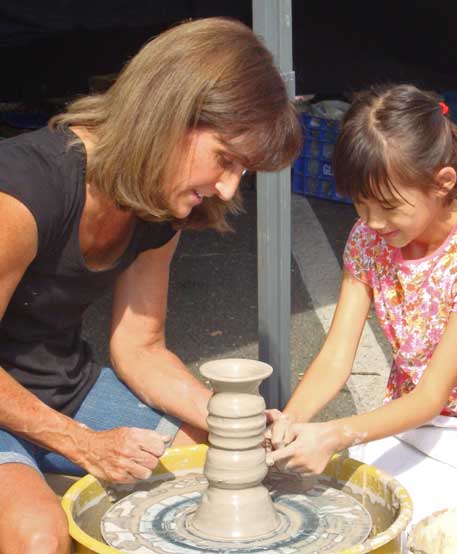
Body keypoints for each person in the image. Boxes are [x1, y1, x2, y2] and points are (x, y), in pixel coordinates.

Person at [0, 17, 301, 554]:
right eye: (226, 160)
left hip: (61, 387)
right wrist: (81, 443)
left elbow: (139, 346)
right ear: (172, 116)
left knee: (225, 457)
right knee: (37, 536)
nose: (227, 188)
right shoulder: (23, 193)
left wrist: (229, 418)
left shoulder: (160, 202)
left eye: (243, 171)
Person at [267, 84, 457, 521]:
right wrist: (292, 420)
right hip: (406, 421)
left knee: (420, 525)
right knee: (347, 509)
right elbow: (337, 356)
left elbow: (432, 395)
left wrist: (334, 435)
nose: (372, 221)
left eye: (388, 206)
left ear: (442, 183)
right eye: (360, 203)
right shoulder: (368, 239)